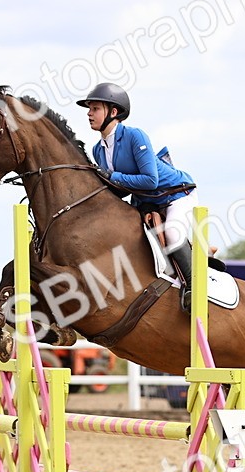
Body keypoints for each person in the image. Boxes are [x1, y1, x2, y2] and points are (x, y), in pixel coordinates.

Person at [77, 82, 200, 312]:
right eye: (89, 109)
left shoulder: (134, 136)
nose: (89, 113)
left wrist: (112, 176)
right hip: (146, 203)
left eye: (95, 108)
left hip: (176, 194)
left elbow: (150, 180)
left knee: (172, 233)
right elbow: (120, 189)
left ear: (113, 112)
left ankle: (194, 288)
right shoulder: (97, 149)